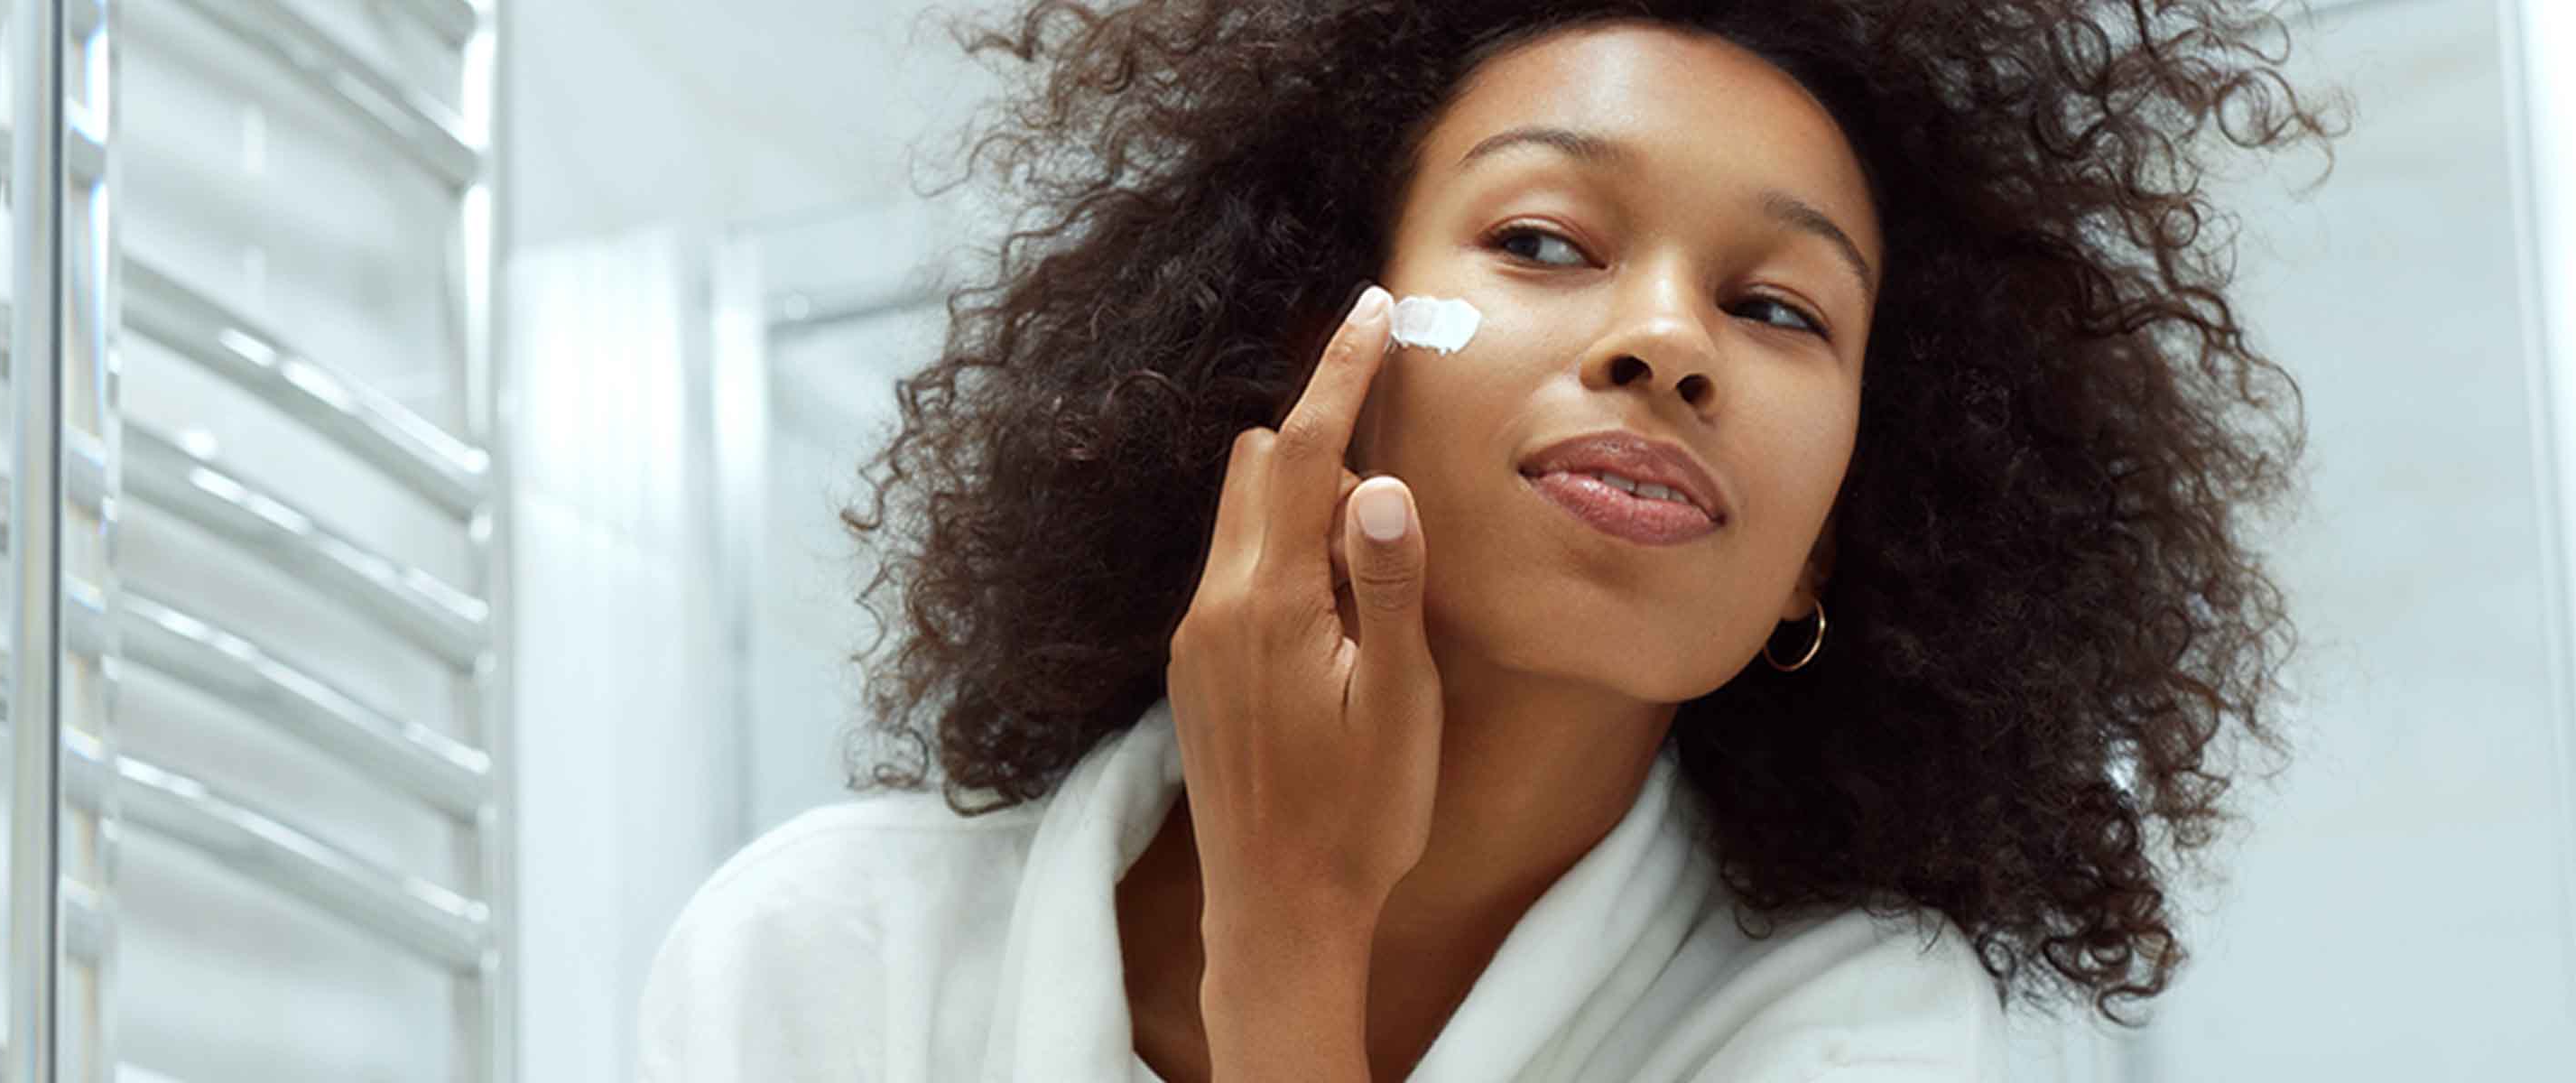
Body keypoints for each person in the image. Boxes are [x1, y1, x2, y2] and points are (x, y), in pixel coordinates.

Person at [639, 1, 2346, 1079]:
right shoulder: (820, 965)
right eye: (1541, 240)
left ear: (1828, 546)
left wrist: (1292, 947)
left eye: (1774, 306)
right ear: (1325, 359)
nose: (1665, 341)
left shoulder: (1857, 1039)